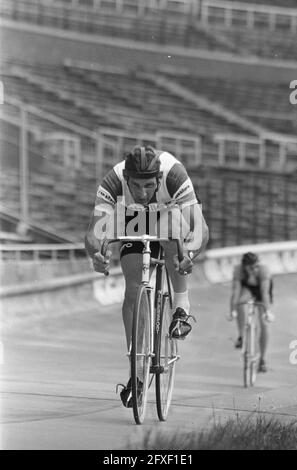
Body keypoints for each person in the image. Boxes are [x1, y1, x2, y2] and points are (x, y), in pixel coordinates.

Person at [85, 145, 209, 407]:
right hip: (133, 218)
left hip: (168, 213)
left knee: (175, 235)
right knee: (132, 289)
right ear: (126, 179)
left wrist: (190, 254)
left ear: (159, 179)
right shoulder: (112, 181)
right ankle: (137, 371)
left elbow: (200, 230)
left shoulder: (174, 174)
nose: (142, 193)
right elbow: (94, 233)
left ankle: (181, 307)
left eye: (149, 186)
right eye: (136, 186)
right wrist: (97, 255)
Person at [229, 252, 274, 373]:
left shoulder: (264, 271)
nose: (254, 270)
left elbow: (265, 294)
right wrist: (232, 311)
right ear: (244, 267)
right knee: (239, 303)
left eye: (256, 266)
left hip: (261, 290)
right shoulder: (238, 271)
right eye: (250, 268)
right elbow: (236, 292)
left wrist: (267, 311)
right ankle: (242, 336)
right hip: (247, 289)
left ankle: (263, 359)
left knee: (264, 323)